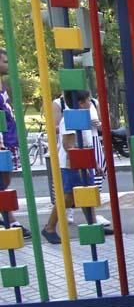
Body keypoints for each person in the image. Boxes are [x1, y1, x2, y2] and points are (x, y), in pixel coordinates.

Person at [40, 90, 104, 244]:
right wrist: (88, 162)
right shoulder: (69, 120)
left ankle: (92, 224)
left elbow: (85, 143)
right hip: (72, 164)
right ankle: (49, 227)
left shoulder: (82, 118)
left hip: (81, 162)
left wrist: (92, 162)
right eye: (88, 100)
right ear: (81, 103)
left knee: (86, 193)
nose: (91, 103)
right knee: (69, 196)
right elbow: (69, 145)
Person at [0, 49, 28, 238]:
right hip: (2, 139)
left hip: (9, 138)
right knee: (1, 180)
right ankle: (10, 219)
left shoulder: (2, 85)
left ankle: (6, 215)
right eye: (4, 61)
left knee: (6, 177)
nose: (7, 64)